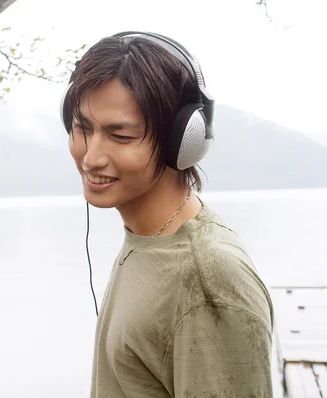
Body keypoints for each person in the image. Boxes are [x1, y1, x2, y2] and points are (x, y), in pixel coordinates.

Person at [60, 32, 274, 397]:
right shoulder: (150, 238)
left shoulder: (206, 279)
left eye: (120, 136)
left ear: (182, 140)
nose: (91, 156)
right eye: (82, 128)